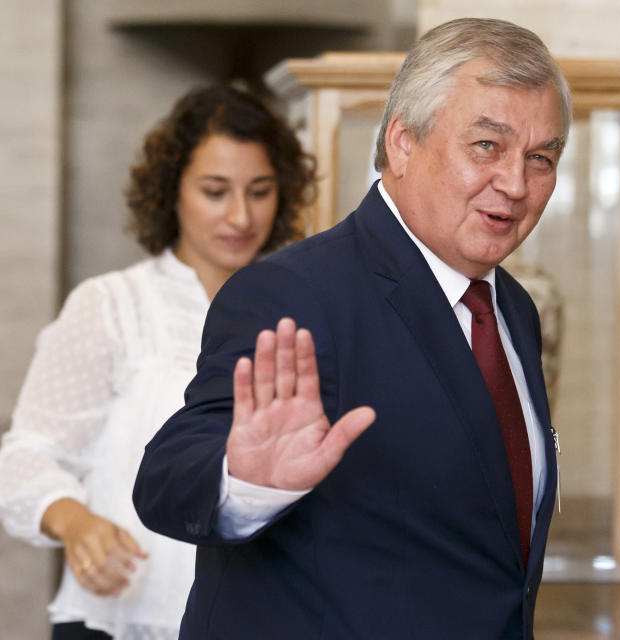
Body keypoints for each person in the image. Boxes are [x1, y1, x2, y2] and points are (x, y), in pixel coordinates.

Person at [133, 17, 572, 640]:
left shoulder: (514, 310)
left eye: (541, 158)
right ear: (402, 142)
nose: (516, 184)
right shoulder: (294, 292)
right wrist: (245, 481)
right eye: (486, 147)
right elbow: (166, 479)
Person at [0, 84, 314, 640]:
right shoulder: (112, 306)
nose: (240, 215)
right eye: (215, 191)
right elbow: (23, 457)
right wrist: (75, 523)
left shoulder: (303, 308)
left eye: (260, 191)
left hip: (259, 618)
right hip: (121, 617)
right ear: (172, 192)